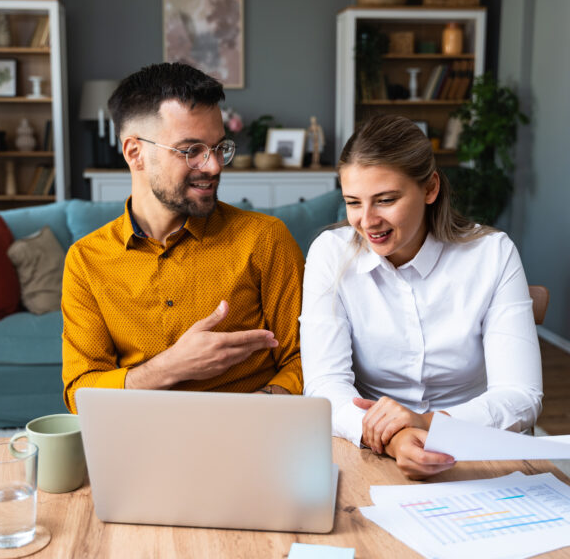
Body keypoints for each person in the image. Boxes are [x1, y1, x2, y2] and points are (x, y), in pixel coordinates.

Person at [300, 114, 542, 479]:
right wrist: (395, 437)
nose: (367, 221)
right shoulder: (329, 255)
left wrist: (428, 423)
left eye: (385, 199)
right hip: (373, 447)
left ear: (430, 188)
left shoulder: (493, 254)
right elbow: (324, 386)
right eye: (353, 202)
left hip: (475, 445)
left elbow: (521, 395)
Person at [62, 63, 304, 412]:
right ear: (135, 153)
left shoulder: (265, 240)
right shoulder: (86, 261)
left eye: (219, 148)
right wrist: (170, 367)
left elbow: (306, 358)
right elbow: (80, 392)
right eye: (192, 150)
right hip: (141, 439)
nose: (214, 166)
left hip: (252, 435)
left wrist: (254, 411)